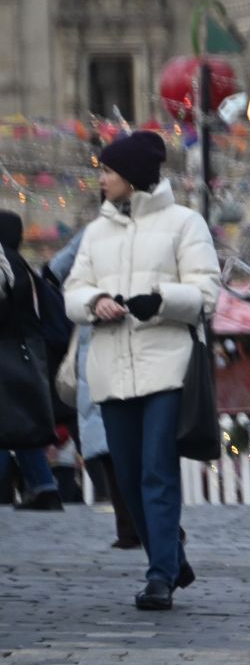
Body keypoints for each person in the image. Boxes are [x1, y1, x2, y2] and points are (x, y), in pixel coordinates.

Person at [61, 131, 218, 609]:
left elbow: (206, 294)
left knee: (156, 472)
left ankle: (160, 576)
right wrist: (96, 301)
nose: (102, 179)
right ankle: (170, 557)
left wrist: (161, 300)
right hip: (110, 371)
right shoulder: (96, 231)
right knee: (126, 480)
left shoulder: (185, 223)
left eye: (108, 170)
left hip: (165, 368)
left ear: (131, 176)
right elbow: (71, 292)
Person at [49, 224, 139, 544]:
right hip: (131, 337)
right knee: (128, 438)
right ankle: (139, 523)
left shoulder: (93, 231)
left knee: (111, 438)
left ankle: (131, 524)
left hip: (103, 339)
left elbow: (54, 272)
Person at [0, 210, 62, 511]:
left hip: (9, 351)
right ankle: (44, 487)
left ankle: (39, 488)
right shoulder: (21, 263)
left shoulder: (6, 263)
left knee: (7, 422)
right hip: (24, 351)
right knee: (20, 422)